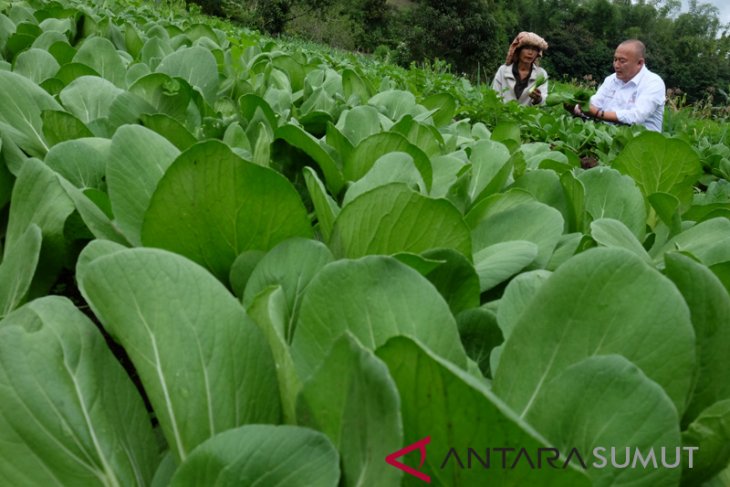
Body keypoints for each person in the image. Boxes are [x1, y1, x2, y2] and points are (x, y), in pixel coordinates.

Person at [573, 39, 665, 132]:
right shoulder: (611, 80)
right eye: (615, 59)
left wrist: (598, 114)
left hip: (641, 141)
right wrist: (576, 107)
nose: (616, 65)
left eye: (622, 61)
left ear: (639, 63)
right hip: (607, 135)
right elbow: (595, 104)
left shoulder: (653, 82)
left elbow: (636, 116)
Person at [492, 32, 549, 106]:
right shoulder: (503, 70)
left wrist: (538, 99)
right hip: (503, 114)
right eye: (527, 48)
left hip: (528, 116)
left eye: (534, 49)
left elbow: (543, 101)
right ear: (518, 50)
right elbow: (495, 95)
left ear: (537, 54)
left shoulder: (541, 73)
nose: (530, 52)